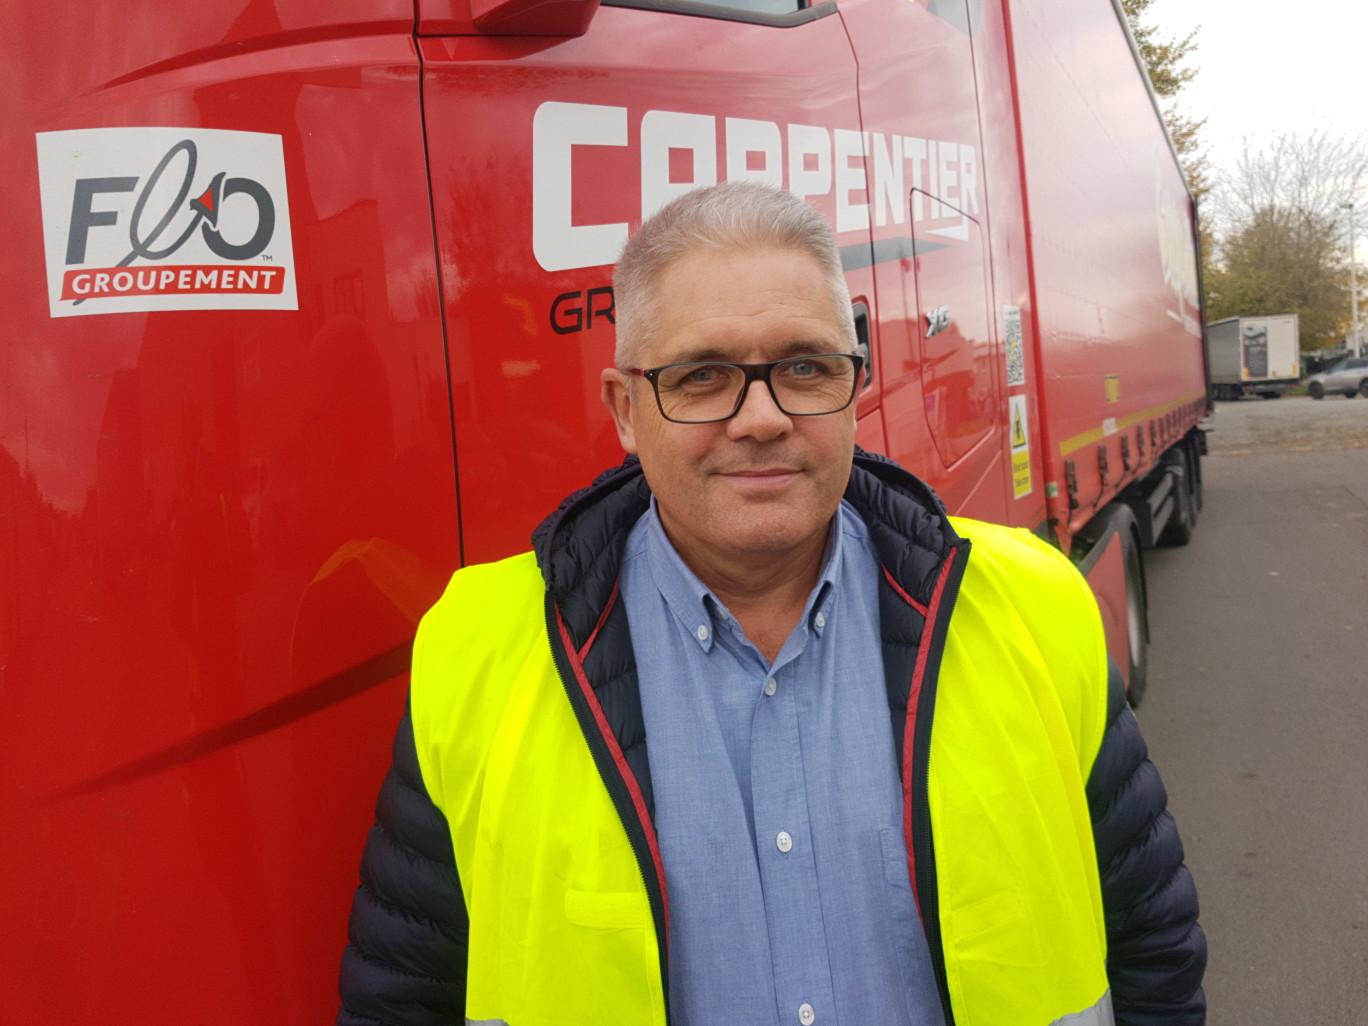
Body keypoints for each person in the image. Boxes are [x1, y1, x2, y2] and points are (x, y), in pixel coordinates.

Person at [337, 182, 1206, 1026]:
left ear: (854, 384)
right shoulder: (479, 653)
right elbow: (402, 994)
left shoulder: (1031, 607)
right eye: (703, 376)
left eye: (804, 366)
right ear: (626, 410)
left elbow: (1149, 941)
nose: (761, 418)